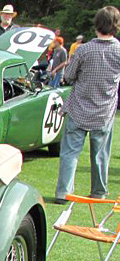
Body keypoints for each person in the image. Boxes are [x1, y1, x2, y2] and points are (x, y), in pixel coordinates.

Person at [53, 6, 120, 203]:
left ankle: (63, 193)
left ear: (97, 24)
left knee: (69, 153)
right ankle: (98, 192)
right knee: (100, 155)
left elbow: (69, 76)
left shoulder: (84, 49)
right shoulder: (118, 50)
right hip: (104, 112)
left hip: (78, 108)